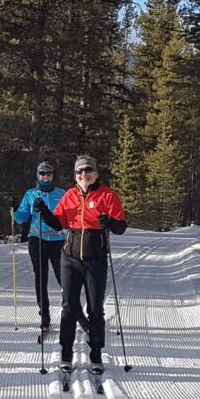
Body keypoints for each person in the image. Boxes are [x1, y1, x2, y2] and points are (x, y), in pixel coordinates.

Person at [35, 155, 127, 373]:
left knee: (95, 309)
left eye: (87, 170)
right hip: (70, 258)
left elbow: (121, 227)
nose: (83, 175)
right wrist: (44, 211)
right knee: (69, 307)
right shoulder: (70, 195)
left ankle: (96, 353)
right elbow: (59, 223)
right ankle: (66, 352)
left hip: (96, 259)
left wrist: (110, 223)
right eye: (79, 171)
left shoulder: (107, 195)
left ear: (95, 173)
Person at [10, 162, 67, 334]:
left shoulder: (61, 193)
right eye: (42, 174)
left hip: (58, 240)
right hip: (37, 240)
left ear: (53, 175)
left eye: (48, 174)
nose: (45, 177)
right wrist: (13, 209)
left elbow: (66, 216)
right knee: (40, 278)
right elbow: (21, 218)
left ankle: (71, 312)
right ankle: (44, 317)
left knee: (63, 278)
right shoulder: (31, 194)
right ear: (37, 175)